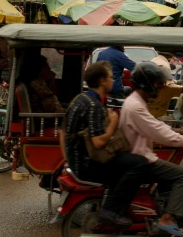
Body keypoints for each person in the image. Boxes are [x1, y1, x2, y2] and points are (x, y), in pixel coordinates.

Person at [121, 62, 183, 237]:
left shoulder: (135, 101)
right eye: (158, 84)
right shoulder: (136, 106)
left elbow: (153, 124)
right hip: (142, 159)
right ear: (148, 84)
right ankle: (166, 219)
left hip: (138, 155)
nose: (160, 88)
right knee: (182, 175)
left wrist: (175, 131)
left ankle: (161, 209)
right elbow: (157, 131)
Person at [61, 61, 150, 226]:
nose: (114, 80)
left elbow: (63, 132)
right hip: (88, 166)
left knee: (125, 160)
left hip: (77, 163)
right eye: (110, 77)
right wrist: (113, 123)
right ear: (102, 81)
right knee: (139, 164)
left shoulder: (80, 98)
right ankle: (111, 209)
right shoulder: (93, 105)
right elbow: (99, 142)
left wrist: (68, 159)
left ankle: (120, 208)